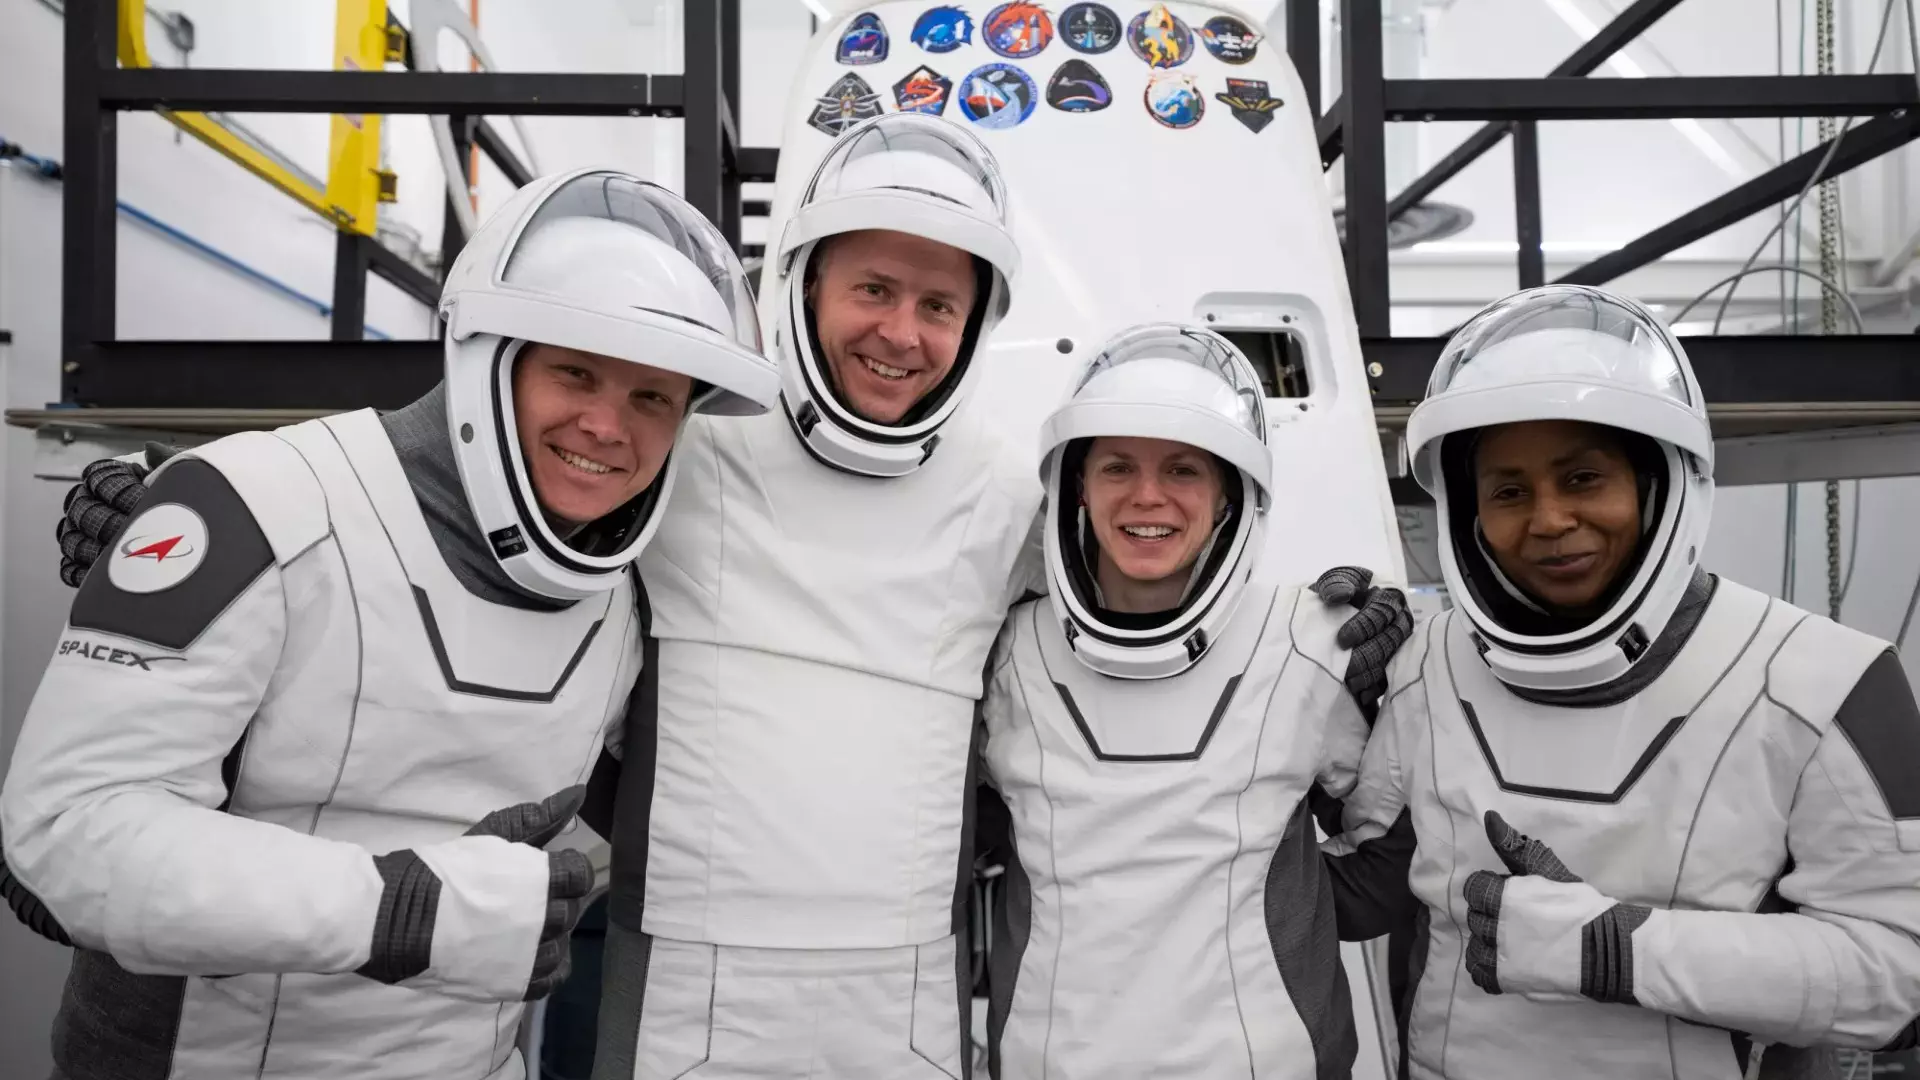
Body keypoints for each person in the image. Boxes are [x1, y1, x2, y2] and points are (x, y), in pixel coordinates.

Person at [39, 114, 1412, 1078]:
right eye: (874, 284)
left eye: (939, 305)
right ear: (800, 283)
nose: (901, 330)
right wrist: (188, 510)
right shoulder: (673, 452)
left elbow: (1147, 582)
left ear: (975, 329)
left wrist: (1331, 626)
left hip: (906, 991)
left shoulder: (1010, 497)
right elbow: (465, 488)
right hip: (673, 980)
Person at [0, 167, 780, 1080]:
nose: (609, 425)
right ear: (488, 356)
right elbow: (67, 833)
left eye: (654, 397)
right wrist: (401, 909)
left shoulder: (627, 596)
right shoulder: (260, 510)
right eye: (575, 370)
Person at [1327, 284, 1920, 1080]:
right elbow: (1367, 895)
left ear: (1658, 483)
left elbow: (1902, 978)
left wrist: (1616, 950)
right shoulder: (1427, 666)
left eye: (1582, 479)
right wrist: (1304, 727)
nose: (1546, 520)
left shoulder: (1826, 682)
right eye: (1507, 492)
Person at [978, 323, 1417, 1079]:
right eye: (1118, 466)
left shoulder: (1311, 642)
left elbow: (1385, 875)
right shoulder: (1007, 654)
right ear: (1078, 485)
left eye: (1183, 470)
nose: (1148, 497)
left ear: (1228, 496)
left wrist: (1387, 693)